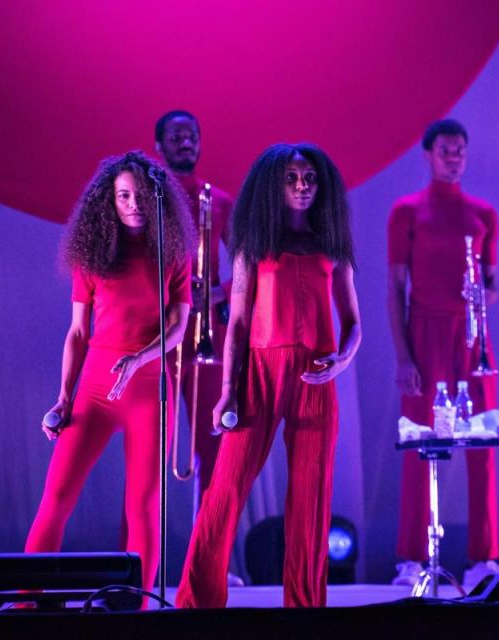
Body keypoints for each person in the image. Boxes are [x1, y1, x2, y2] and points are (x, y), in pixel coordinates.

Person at [176, 143, 361, 608]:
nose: (301, 187)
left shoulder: (331, 245)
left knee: (311, 500)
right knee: (225, 488)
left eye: (309, 179)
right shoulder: (253, 243)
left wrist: (341, 360)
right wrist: (226, 394)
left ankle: (304, 607)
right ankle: (197, 602)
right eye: (292, 179)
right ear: (274, 184)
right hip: (258, 372)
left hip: (316, 376)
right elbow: (236, 322)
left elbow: (354, 322)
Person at [25, 151, 192, 602]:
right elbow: (78, 332)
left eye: (140, 195)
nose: (133, 203)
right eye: (123, 196)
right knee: (57, 497)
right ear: (109, 202)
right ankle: (23, 600)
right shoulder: (93, 255)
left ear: (156, 199)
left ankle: (134, 606)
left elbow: (178, 328)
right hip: (97, 387)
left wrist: (139, 360)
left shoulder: (173, 254)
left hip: (149, 387)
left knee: (143, 505)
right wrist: (63, 398)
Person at [388, 119, 499, 588]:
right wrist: (404, 357)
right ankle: (411, 558)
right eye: (446, 149)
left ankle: (485, 557)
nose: (454, 156)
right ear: (428, 154)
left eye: (460, 150)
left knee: (482, 444)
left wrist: (481, 296)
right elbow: (395, 288)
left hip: (472, 338)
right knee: (419, 443)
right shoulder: (406, 211)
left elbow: (492, 285)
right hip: (425, 332)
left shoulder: (484, 213)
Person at [154, 110, 235, 504]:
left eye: (192, 135)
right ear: (159, 146)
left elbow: (251, 264)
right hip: (157, 327)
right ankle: (137, 562)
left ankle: (211, 563)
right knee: (149, 450)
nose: (186, 142)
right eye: (176, 136)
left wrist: (222, 293)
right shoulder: (145, 198)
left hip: (207, 331)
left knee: (213, 445)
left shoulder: (219, 200)